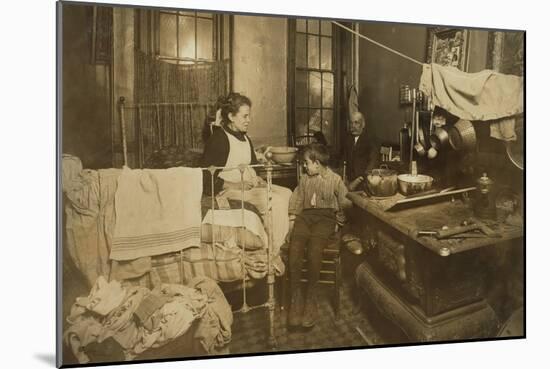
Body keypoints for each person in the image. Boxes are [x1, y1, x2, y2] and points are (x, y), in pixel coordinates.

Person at [200, 92, 292, 252]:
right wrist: (236, 184)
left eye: (249, 116)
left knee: (287, 193)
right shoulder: (219, 139)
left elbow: (253, 166)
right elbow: (206, 177)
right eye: (245, 116)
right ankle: (274, 251)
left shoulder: (245, 138)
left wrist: (259, 180)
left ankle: (284, 242)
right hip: (227, 191)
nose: (248, 120)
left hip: (249, 187)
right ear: (231, 116)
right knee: (275, 202)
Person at [286, 143, 352, 329]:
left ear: (316, 163)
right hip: (305, 217)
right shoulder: (305, 179)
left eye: (306, 163)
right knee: (295, 248)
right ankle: (296, 296)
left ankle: (311, 297)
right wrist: (292, 219)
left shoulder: (335, 179)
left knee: (315, 249)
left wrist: (339, 222)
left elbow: (346, 202)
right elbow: (297, 198)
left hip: (325, 218)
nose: (304, 167)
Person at [342, 111, 379, 255]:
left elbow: (372, 164)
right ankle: (351, 234)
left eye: (356, 122)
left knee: (357, 205)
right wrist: (344, 179)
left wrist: (357, 181)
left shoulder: (370, 139)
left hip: (365, 182)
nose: (353, 126)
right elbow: (343, 161)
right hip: (350, 181)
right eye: (351, 122)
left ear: (363, 125)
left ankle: (362, 238)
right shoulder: (348, 139)